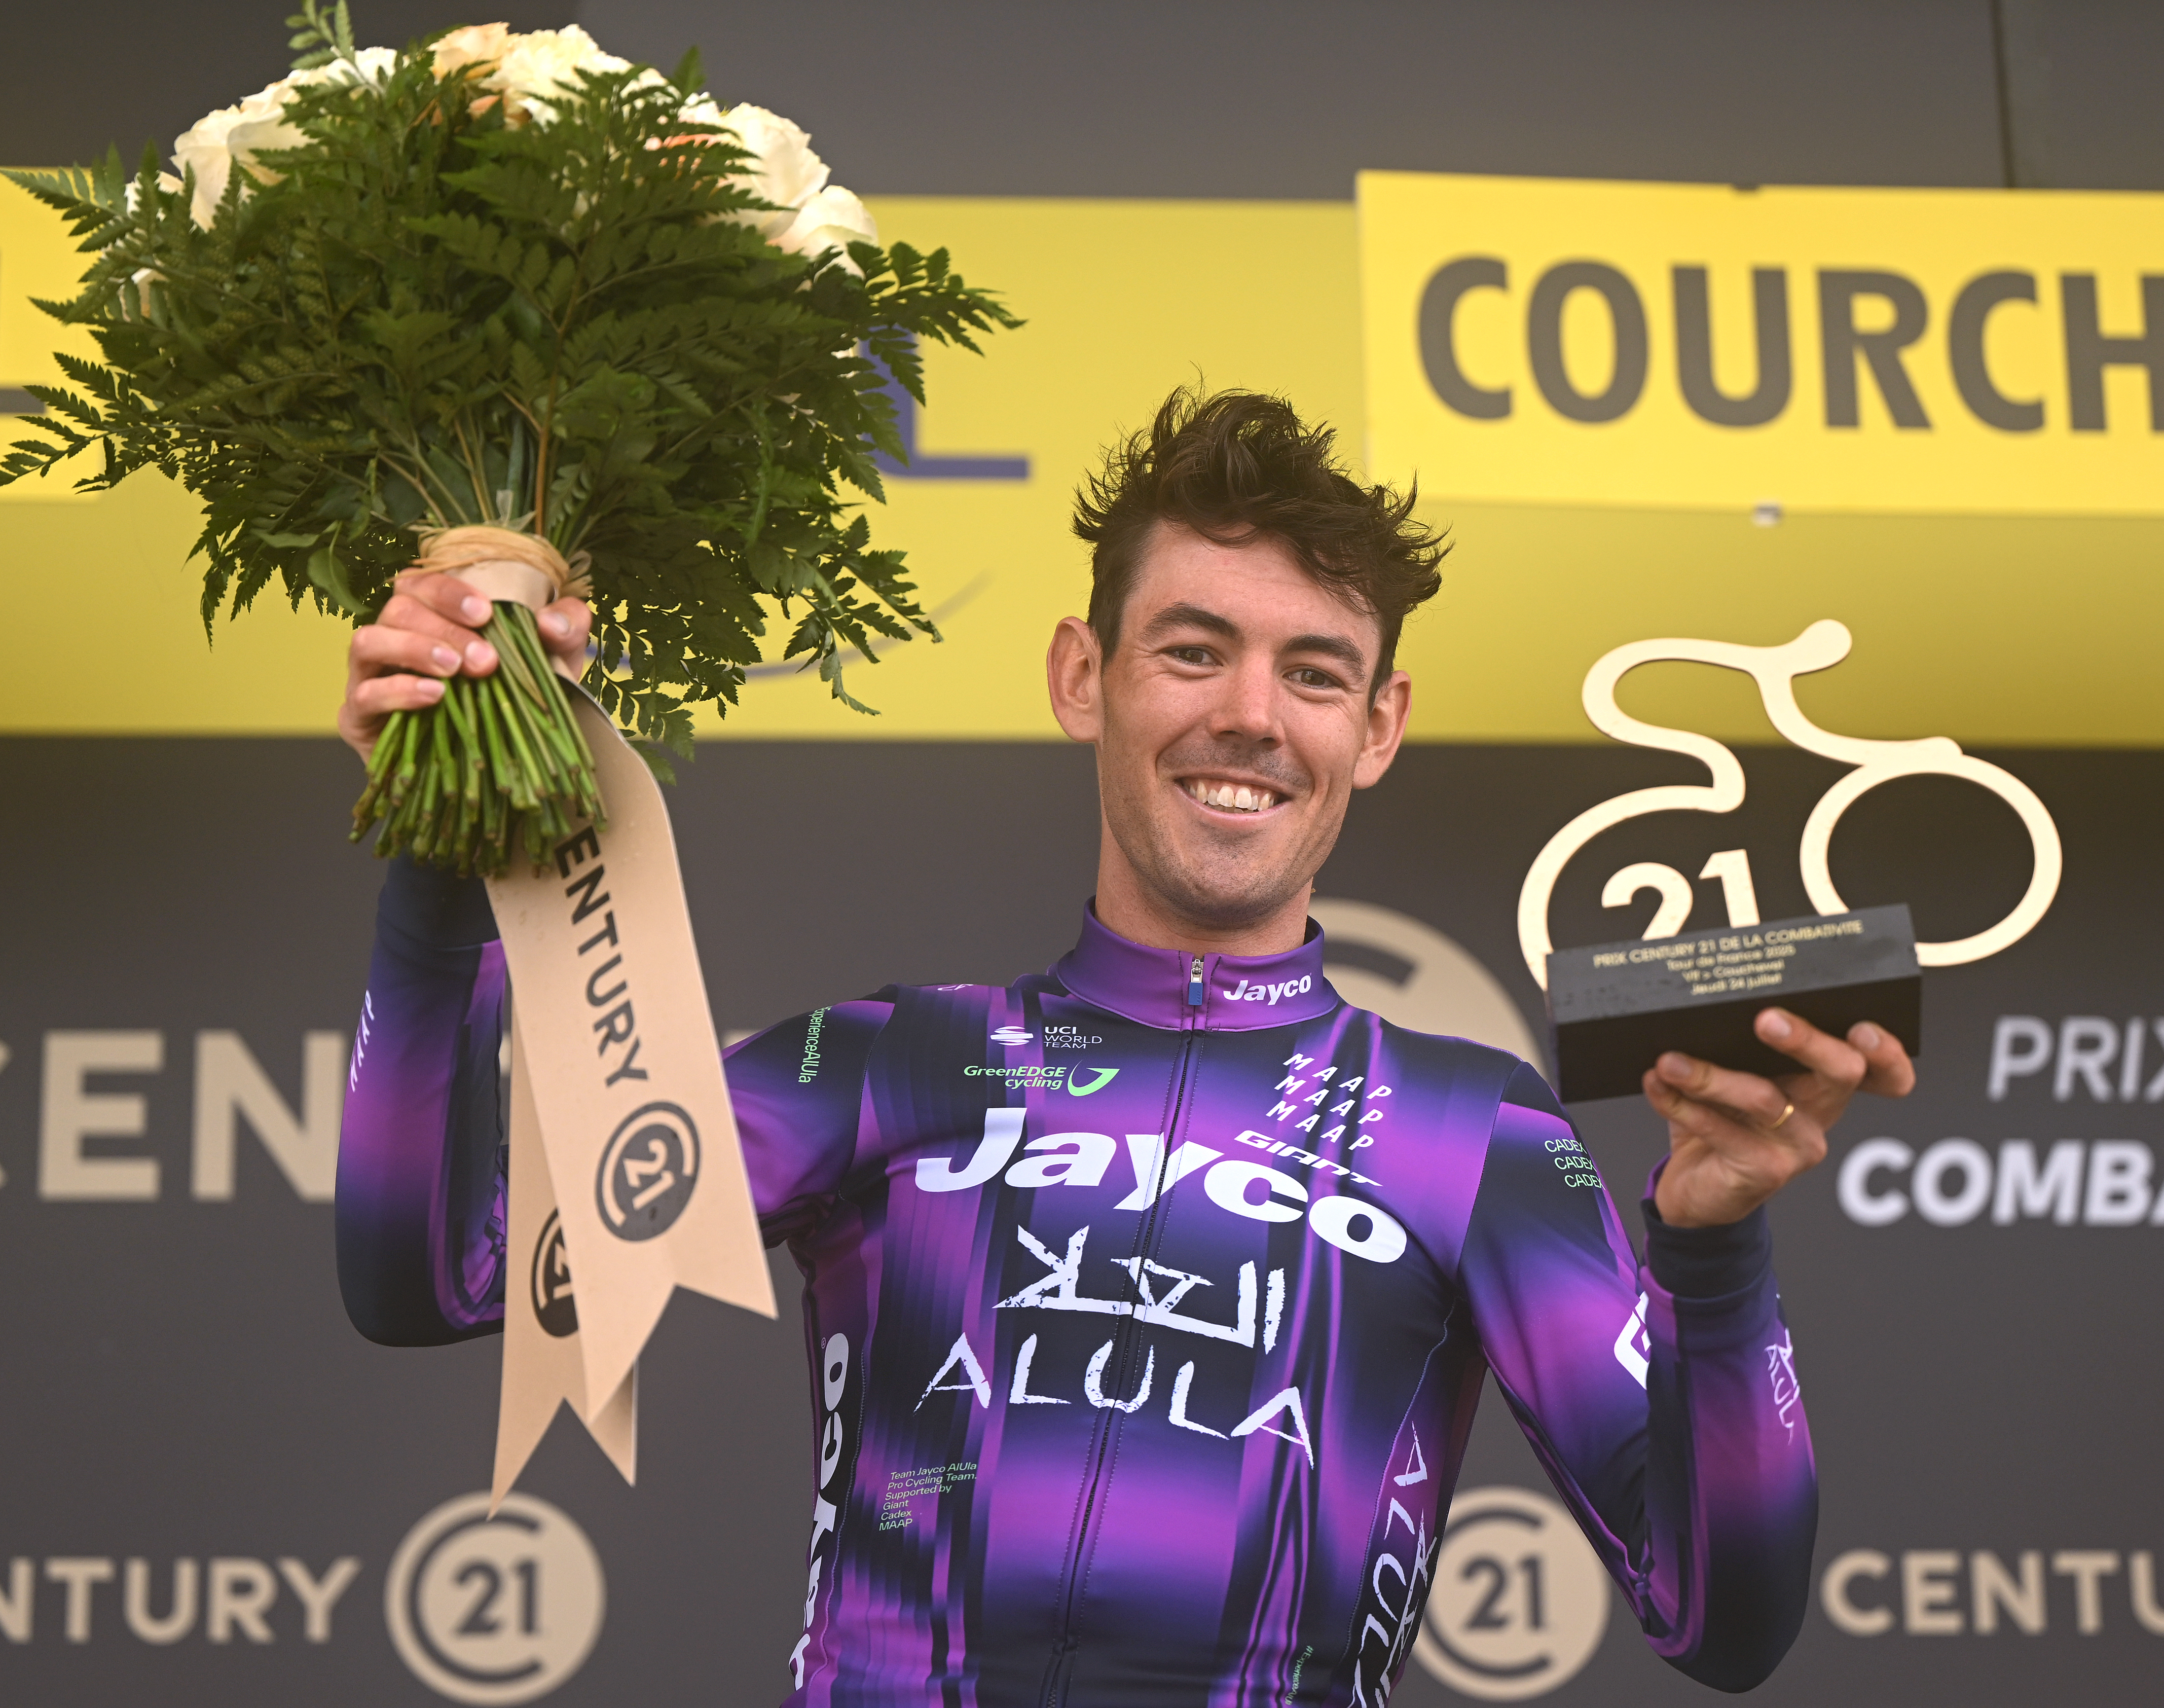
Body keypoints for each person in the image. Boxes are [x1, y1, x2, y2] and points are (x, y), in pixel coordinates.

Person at [333, 390, 1914, 1706]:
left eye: (1312, 671)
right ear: (1080, 676)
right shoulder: (889, 1064)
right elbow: (439, 1275)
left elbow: (1729, 1618)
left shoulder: (1469, 1135)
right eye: (1189, 647)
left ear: (1376, 726)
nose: (1248, 713)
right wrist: (439, 843)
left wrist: (1713, 1254)